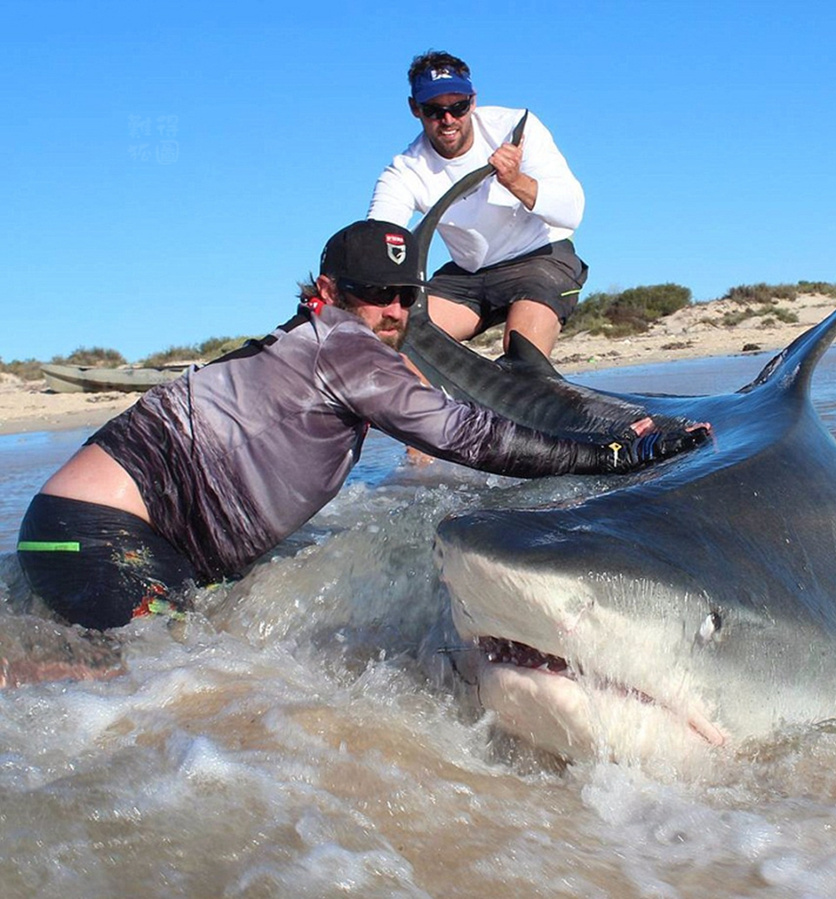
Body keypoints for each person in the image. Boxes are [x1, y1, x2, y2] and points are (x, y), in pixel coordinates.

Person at [17, 221, 708, 632]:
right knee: (153, 683)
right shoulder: (341, 344)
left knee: (190, 662)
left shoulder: (308, 341)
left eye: (405, 295)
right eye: (376, 292)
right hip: (95, 537)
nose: (392, 311)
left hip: (73, 537)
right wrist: (614, 452)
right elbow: (474, 437)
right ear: (328, 290)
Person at [368, 50, 586, 360]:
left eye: (458, 107)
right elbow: (377, 239)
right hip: (468, 274)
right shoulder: (404, 170)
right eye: (433, 110)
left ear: (473, 101)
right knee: (394, 344)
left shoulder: (515, 127)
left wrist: (515, 181)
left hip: (540, 258)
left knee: (523, 358)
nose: (448, 120)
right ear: (414, 108)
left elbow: (571, 211)